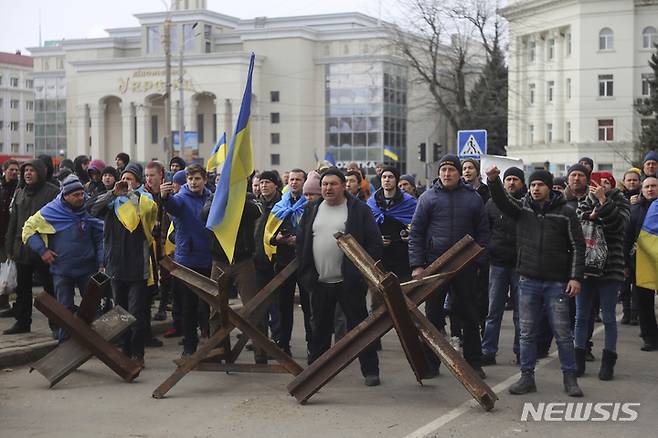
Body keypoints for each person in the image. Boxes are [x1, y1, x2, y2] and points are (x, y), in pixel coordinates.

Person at [486, 165, 585, 397]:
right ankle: (527, 377)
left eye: (540, 185)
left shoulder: (566, 212)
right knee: (527, 333)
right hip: (528, 280)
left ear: (549, 188)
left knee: (563, 333)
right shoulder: (523, 209)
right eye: (532, 185)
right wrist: (493, 180)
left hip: (556, 282)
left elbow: (578, 247)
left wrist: (575, 278)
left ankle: (570, 378)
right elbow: (501, 200)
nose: (535, 189)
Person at [297, 168, 382, 386]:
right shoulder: (311, 209)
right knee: (320, 330)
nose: (328, 188)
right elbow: (301, 242)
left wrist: (360, 272)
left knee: (360, 328)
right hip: (320, 282)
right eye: (324, 184)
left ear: (344, 186)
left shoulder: (358, 210)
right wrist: (307, 274)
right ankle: (317, 373)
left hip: (349, 283)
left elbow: (374, 243)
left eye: (333, 184)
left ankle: (370, 370)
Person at [409, 154, 489, 379]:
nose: (447, 174)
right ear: (439, 173)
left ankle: (474, 361)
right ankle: (432, 363)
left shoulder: (473, 199)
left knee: (469, 314)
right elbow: (416, 233)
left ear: (458, 173)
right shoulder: (428, 198)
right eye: (443, 170)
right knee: (433, 317)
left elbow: (483, 232)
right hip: (435, 265)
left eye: (451, 170)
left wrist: (479, 260)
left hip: (465, 265)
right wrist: (417, 265)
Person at [89, 162, 158, 368]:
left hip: (137, 266)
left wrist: (130, 195)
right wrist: (113, 193)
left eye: (130, 179)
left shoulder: (145, 199)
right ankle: (124, 351)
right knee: (120, 311)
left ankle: (138, 353)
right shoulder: (112, 201)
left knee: (136, 311)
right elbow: (92, 208)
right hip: (116, 265)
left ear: (137, 182)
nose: (126, 182)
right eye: (124, 178)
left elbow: (149, 211)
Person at [23, 175, 104, 342]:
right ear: (65, 196)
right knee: (64, 311)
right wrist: (42, 250)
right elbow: (28, 230)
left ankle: (96, 343)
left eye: (82, 194)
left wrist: (102, 261)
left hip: (87, 269)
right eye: (76, 195)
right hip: (62, 270)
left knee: (92, 309)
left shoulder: (88, 209)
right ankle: (64, 345)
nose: (81, 198)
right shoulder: (51, 211)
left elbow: (100, 237)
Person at [201, 186, 269, 364]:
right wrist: (223, 200)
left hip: (243, 261)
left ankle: (261, 353)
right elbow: (205, 214)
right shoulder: (215, 197)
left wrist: (236, 201)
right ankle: (217, 351)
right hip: (220, 261)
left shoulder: (248, 198)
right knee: (215, 308)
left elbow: (257, 210)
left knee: (253, 306)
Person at [574, 171, 630, 380]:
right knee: (581, 316)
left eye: (605, 182)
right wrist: (592, 215)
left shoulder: (621, 201)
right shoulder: (585, 201)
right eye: (598, 183)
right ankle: (578, 359)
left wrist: (603, 202)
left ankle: (608, 361)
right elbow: (578, 222)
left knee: (608, 318)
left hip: (610, 268)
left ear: (612, 184)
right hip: (587, 268)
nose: (601, 185)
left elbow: (620, 226)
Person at [3, 160, 60, 335]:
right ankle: (22, 322)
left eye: (31, 170)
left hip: (44, 249)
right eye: (25, 170)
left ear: (40, 173)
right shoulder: (20, 193)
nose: (28, 173)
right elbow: (14, 222)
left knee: (50, 289)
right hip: (22, 248)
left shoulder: (52, 192)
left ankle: (56, 324)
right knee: (23, 289)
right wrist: (10, 246)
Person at [161, 164, 212, 356]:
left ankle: (212, 340)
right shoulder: (181, 198)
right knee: (188, 306)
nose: (193, 182)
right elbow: (171, 205)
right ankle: (190, 346)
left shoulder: (211, 197)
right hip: (187, 260)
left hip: (208, 258)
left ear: (204, 180)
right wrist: (164, 197)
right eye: (190, 179)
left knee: (208, 304)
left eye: (197, 178)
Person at [481, 167, 526, 366]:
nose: (511, 183)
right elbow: (485, 230)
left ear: (522, 183)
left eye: (516, 179)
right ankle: (488, 351)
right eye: (508, 179)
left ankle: (521, 352)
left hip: (520, 266)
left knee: (521, 314)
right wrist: (489, 251)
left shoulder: (526, 205)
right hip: (497, 264)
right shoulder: (491, 204)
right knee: (494, 312)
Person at [264, 169, 307, 355]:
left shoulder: (311, 205)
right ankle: (283, 344)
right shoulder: (280, 206)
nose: (294, 183)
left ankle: (312, 345)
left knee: (309, 306)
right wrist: (277, 239)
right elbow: (268, 234)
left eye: (298, 179)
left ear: (305, 182)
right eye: (291, 180)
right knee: (283, 306)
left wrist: (300, 239)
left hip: (305, 262)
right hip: (283, 262)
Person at [625, 176, 658, 351]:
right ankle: (650, 338)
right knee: (644, 304)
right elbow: (627, 237)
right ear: (642, 190)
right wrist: (625, 263)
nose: (651, 189)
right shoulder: (634, 210)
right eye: (647, 187)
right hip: (640, 264)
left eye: (654, 186)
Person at [0, 160, 19, 313]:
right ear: (4, 170)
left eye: (16, 170)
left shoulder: (19, 188)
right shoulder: (1, 187)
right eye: (11, 169)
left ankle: (6, 302)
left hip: (11, 234)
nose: (14, 172)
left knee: (9, 269)